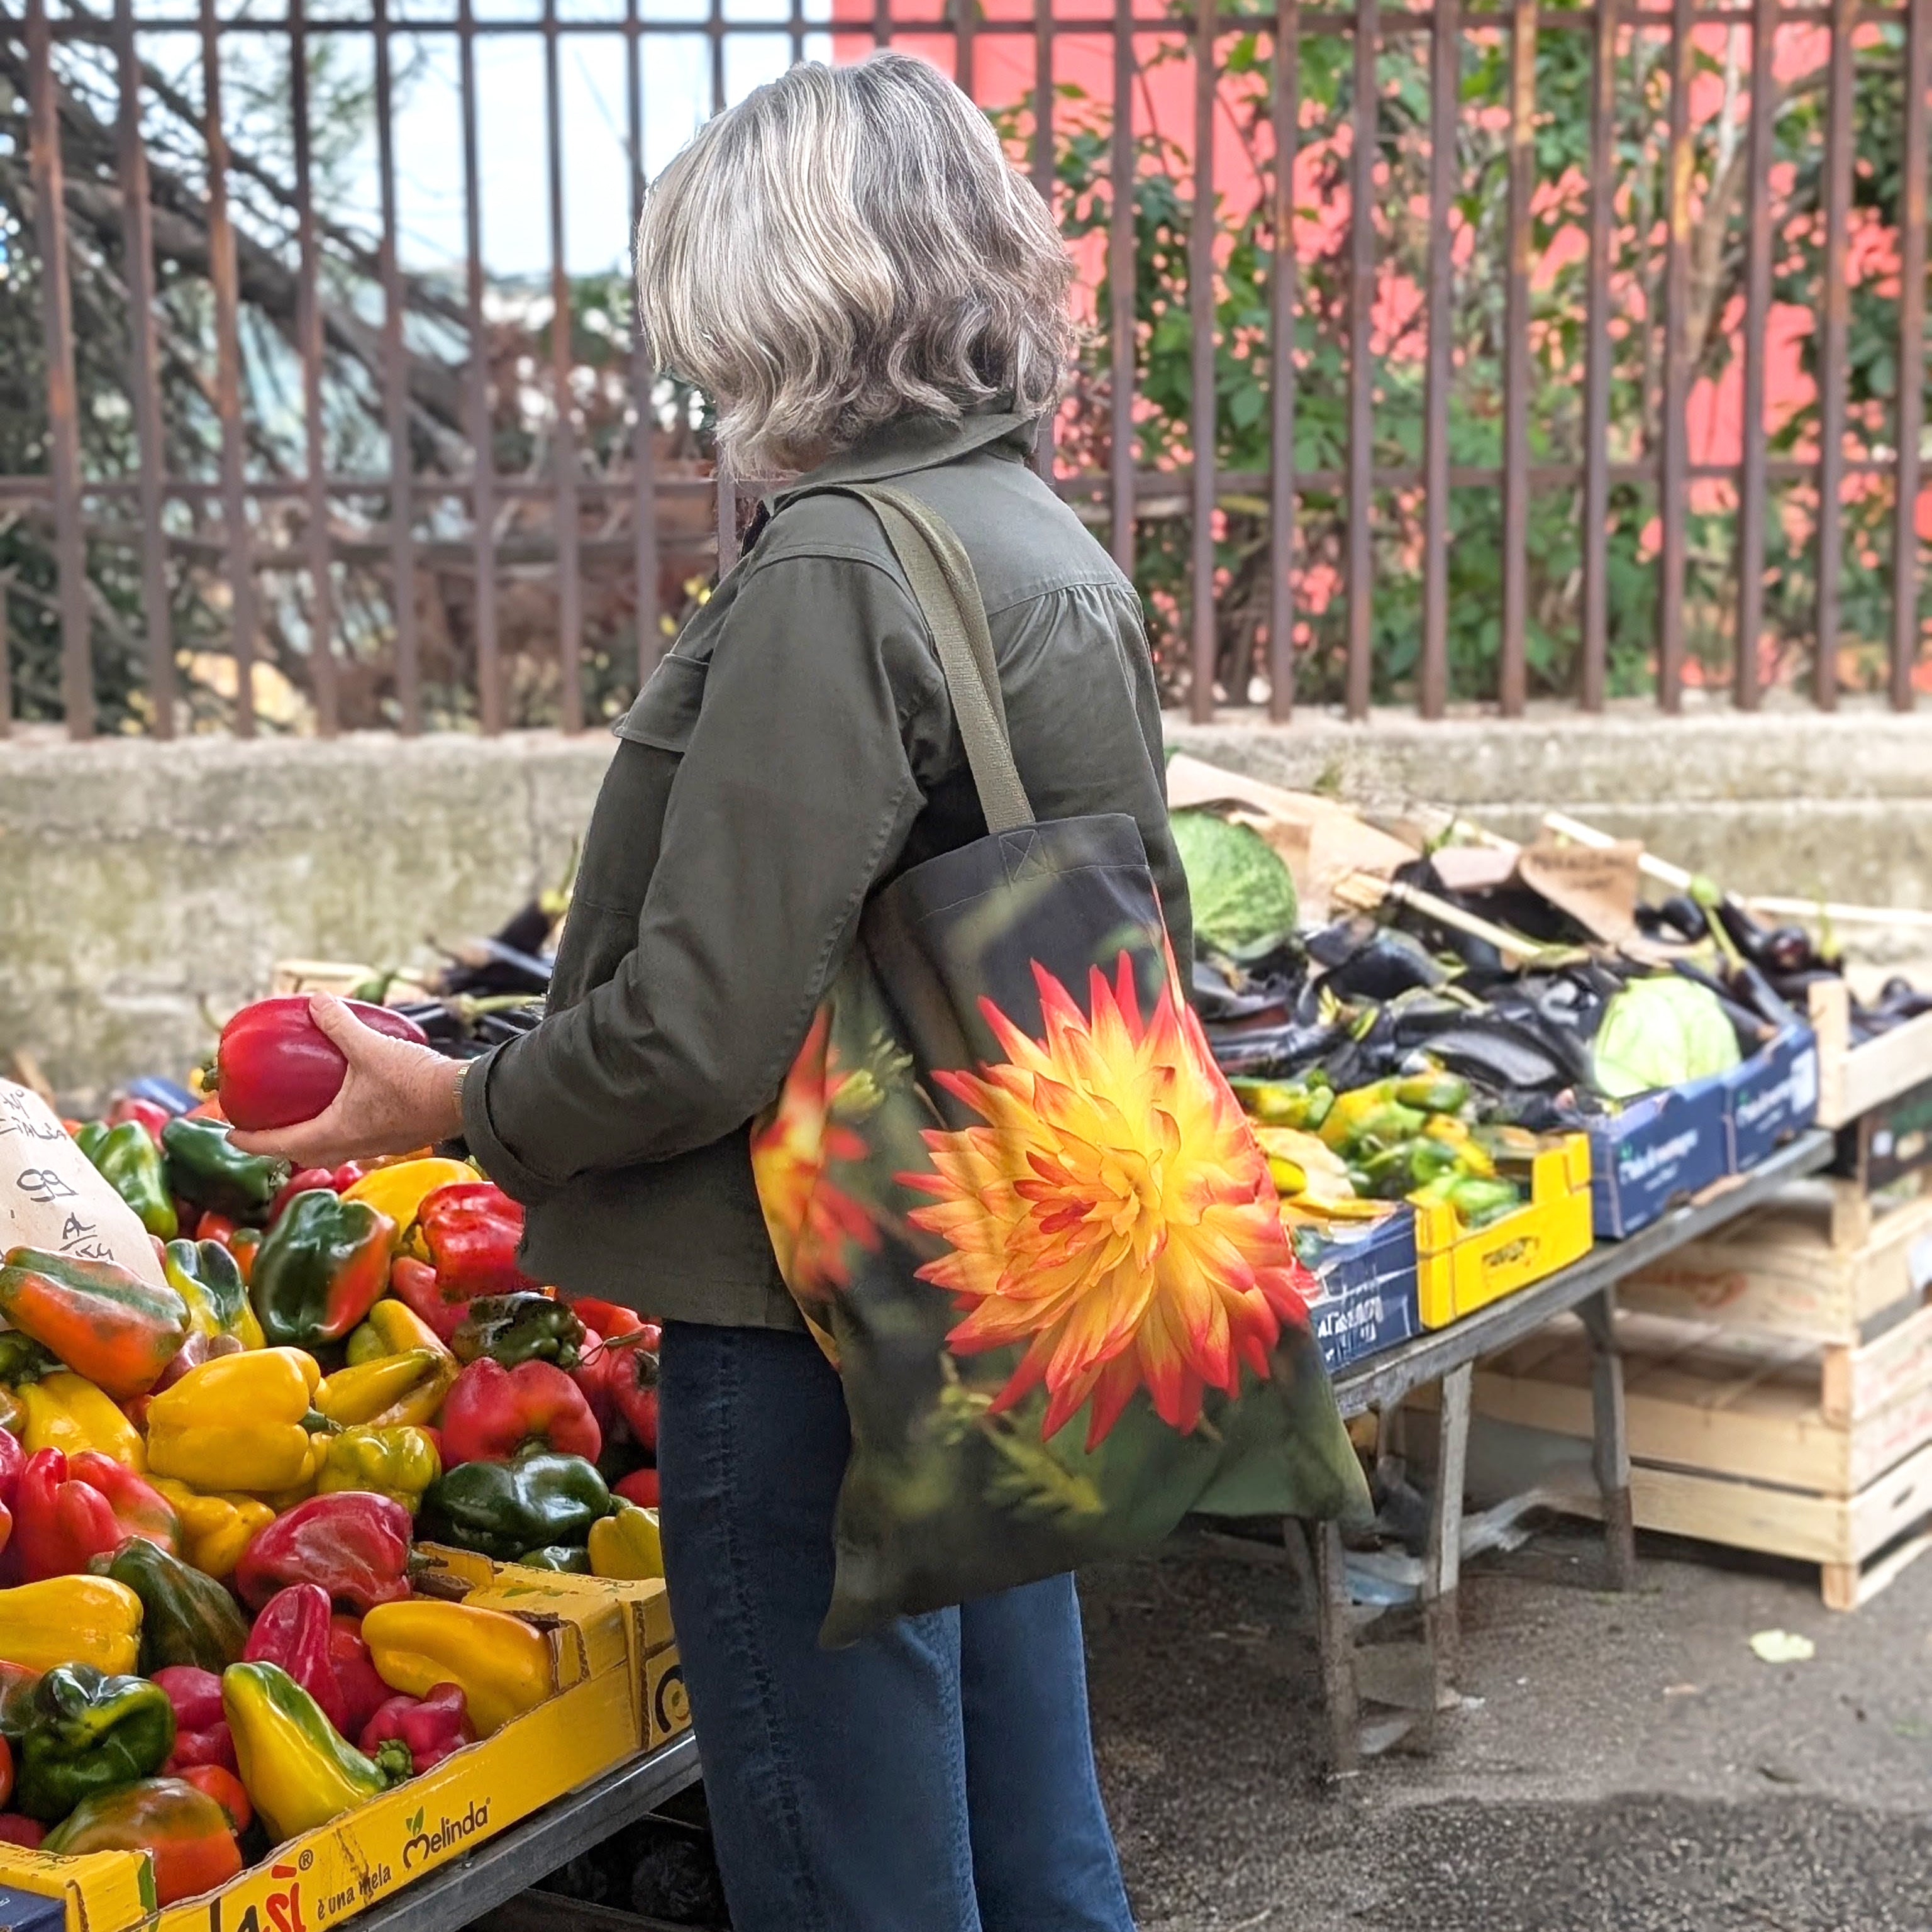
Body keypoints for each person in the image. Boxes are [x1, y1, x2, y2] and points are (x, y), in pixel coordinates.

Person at [237, 52, 1187, 1932]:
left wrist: (452, 1102)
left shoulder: (840, 564)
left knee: (852, 1860)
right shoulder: (1039, 540)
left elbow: (693, 1031)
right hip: (1009, 1274)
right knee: (1030, 1833)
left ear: (768, 283)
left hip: (817, 1307)